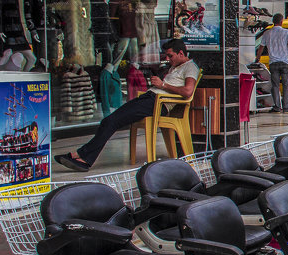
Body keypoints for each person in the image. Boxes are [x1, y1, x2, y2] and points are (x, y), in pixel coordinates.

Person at [54, 39, 197, 172]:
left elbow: (188, 92)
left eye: (170, 56)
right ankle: (81, 155)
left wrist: (163, 84)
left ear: (181, 53)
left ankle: (84, 158)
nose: (168, 59)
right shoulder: (175, 66)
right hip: (150, 98)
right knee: (109, 121)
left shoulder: (190, 67)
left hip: (157, 103)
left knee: (110, 121)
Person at [262, 14, 288, 112]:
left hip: (273, 62)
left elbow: (261, 47)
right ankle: (287, 107)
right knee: (286, 85)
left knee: (275, 85)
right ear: (281, 22)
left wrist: (258, 58)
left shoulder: (267, 33)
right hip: (286, 62)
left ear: (273, 21)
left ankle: (277, 106)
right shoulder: (286, 32)